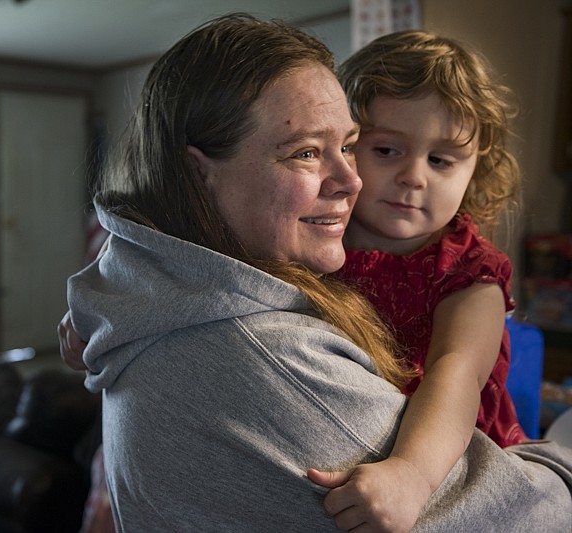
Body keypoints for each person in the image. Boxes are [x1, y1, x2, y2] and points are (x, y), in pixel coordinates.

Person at [63, 13, 572, 532]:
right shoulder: (265, 347)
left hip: (455, 439)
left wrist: (412, 475)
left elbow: (455, 377)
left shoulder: (459, 275)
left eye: (347, 145)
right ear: (200, 172)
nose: (351, 180)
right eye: (306, 152)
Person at [305, 30, 527, 530]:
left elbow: (457, 370)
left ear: (476, 170)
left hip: (444, 470)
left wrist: (411, 474)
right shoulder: (313, 236)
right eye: (386, 150)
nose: (414, 177)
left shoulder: (471, 273)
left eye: (441, 160)